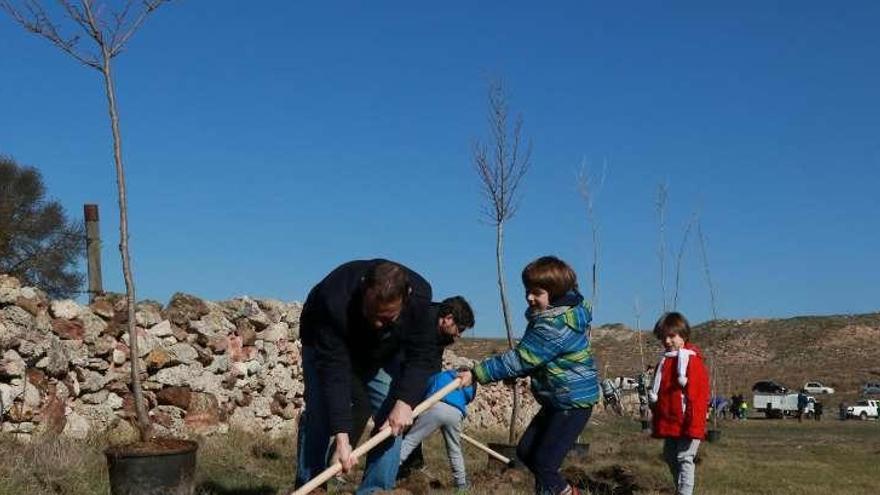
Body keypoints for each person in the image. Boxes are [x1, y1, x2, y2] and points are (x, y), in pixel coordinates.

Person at [294, 259, 437, 494]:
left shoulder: (421, 299)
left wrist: (405, 402)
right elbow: (334, 371)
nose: (377, 323)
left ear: (407, 296)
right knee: (320, 411)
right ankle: (311, 485)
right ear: (363, 289)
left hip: (379, 350)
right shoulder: (334, 299)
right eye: (371, 314)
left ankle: (375, 490)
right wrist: (342, 437)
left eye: (387, 317)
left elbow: (421, 356)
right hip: (322, 338)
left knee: (392, 418)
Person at [459, 255, 599, 495]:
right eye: (527, 290)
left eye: (537, 292)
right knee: (526, 453)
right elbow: (541, 358)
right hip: (557, 399)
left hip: (572, 402)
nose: (529, 297)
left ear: (555, 294)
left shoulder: (554, 324)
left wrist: (477, 373)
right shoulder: (552, 316)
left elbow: (522, 358)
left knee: (545, 464)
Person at [396, 296, 475, 478]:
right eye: (460, 328)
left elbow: (432, 363)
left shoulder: (440, 334)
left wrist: (430, 389)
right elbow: (413, 359)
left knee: (413, 424)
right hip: (398, 369)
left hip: (415, 376)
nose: (459, 334)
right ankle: (389, 469)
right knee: (399, 423)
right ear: (448, 318)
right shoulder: (423, 323)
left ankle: (412, 466)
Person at [648, 312, 710, 495]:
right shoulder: (666, 361)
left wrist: (694, 422)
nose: (667, 341)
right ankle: (679, 489)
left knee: (685, 457)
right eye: (663, 337)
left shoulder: (692, 361)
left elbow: (698, 395)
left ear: (683, 334)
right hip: (671, 421)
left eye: (671, 336)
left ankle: (685, 492)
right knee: (669, 456)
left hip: (687, 420)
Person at [399, 369, 477, 492]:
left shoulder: (443, 375)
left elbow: (428, 387)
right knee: (454, 450)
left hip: (436, 406)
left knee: (410, 440)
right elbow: (469, 398)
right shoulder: (470, 382)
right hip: (456, 413)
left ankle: (389, 472)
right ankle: (462, 485)